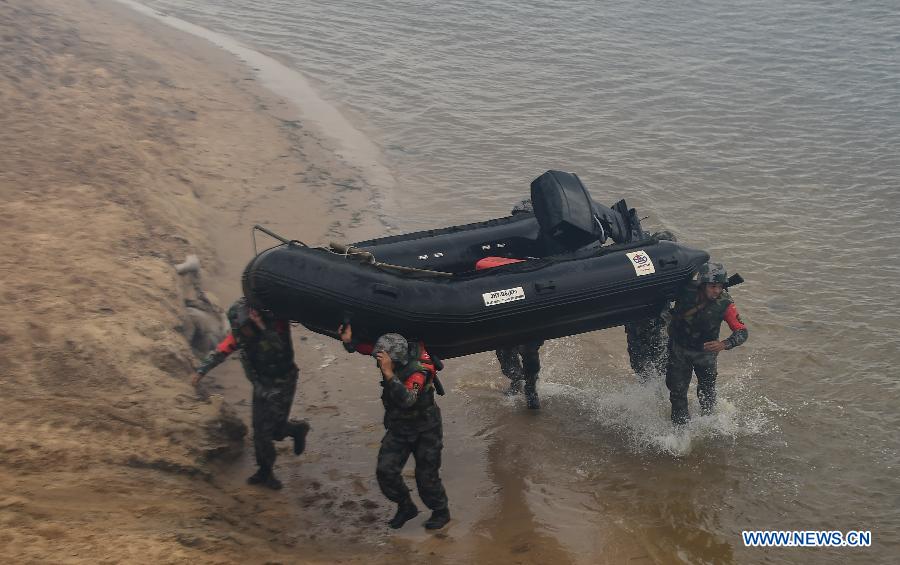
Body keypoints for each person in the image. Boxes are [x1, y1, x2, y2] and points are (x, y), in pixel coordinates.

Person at [339, 323, 450, 530]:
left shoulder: (419, 371)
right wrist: (349, 343)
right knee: (386, 471)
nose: (380, 363)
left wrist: (389, 374)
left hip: (426, 428)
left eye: (384, 360)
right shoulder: (394, 351)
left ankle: (441, 511)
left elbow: (408, 399)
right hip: (400, 426)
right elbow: (366, 349)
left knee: (426, 478)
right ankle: (406, 506)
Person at [194, 297, 310, 489]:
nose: (246, 333)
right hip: (261, 384)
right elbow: (220, 352)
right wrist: (200, 372)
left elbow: (280, 349)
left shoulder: (274, 327)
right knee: (260, 430)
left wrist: (262, 327)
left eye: (248, 328)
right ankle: (265, 471)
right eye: (242, 329)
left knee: (274, 430)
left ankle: (297, 430)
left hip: (283, 383)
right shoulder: (240, 335)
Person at [665, 262, 748, 425]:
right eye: (712, 286)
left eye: (720, 286)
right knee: (677, 394)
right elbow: (661, 297)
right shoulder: (684, 291)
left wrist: (725, 344)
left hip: (706, 355)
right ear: (702, 285)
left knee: (707, 395)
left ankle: (708, 426)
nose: (717, 291)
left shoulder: (725, 304)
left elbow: (742, 332)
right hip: (679, 350)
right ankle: (681, 433)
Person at [624, 230, 678, 381]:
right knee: (642, 370)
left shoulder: (672, 270)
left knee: (661, 369)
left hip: (657, 327)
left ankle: (659, 399)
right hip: (639, 327)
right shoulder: (639, 269)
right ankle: (651, 398)